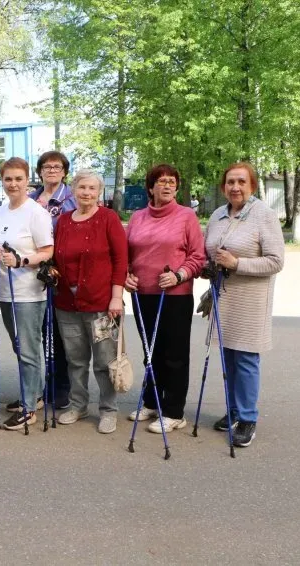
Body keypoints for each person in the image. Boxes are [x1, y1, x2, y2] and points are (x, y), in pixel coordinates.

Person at [204, 162, 284, 447]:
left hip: (251, 300)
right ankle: (234, 410)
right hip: (224, 297)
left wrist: (237, 263)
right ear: (223, 186)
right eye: (230, 182)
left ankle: (248, 418)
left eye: (241, 182)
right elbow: (209, 251)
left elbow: (276, 261)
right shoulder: (218, 215)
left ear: (252, 185)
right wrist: (207, 266)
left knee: (247, 359)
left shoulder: (264, 215)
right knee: (228, 358)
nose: (235, 187)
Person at [125, 163, 205, 434]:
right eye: (161, 181)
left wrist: (180, 275)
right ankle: (152, 400)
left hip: (174, 295)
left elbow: (198, 256)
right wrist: (126, 275)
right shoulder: (137, 217)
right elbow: (126, 255)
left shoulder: (186, 217)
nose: (167, 185)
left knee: (174, 355)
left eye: (172, 181)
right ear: (150, 187)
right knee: (151, 351)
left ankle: (174, 411)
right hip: (142, 294)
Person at [53, 169, 128, 433]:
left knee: (104, 361)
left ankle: (108, 410)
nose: (86, 193)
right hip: (67, 304)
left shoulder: (108, 219)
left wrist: (116, 296)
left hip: (101, 304)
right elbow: (55, 257)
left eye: (92, 189)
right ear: (73, 190)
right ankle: (78, 404)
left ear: (99, 192)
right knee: (76, 360)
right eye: (82, 187)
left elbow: (121, 260)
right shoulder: (63, 221)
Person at [0, 158, 54, 431]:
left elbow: (48, 251)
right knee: (20, 346)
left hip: (28, 291)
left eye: (18, 179)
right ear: (2, 181)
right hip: (5, 290)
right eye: (8, 179)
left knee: (27, 349)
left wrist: (22, 260)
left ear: (27, 181)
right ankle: (35, 394)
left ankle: (29, 408)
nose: (13, 184)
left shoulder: (36, 213)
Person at [25, 150, 76, 411]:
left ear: (65, 171)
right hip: (32, 272)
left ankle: (61, 387)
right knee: (38, 332)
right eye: (46, 167)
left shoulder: (72, 199)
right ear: (40, 171)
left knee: (59, 332)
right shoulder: (31, 199)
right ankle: (39, 386)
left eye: (57, 167)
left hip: (61, 273)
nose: (52, 170)